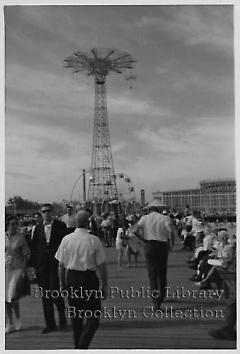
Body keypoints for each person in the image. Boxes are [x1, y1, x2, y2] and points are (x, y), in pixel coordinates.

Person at [55, 210, 108, 349]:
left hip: (72, 277)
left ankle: (77, 346)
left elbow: (60, 265)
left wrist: (62, 284)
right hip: (89, 278)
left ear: (76, 223)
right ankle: (82, 345)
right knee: (93, 316)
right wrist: (104, 285)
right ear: (88, 222)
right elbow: (101, 265)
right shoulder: (93, 240)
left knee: (76, 315)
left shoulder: (66, 239)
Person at [30, 203, 68, 333]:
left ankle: (62, 318)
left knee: (55, 293)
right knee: (46, 296)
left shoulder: (60, 226)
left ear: (52, 212)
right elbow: (34, 248)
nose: (46, 213)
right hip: (42, 267)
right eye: (43, 212)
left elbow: (65, 245)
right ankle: (50, 324)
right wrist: (33, 266)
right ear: (41, 214)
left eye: (48, 211)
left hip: (56, 265)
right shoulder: (37, 228)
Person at [134, 205, 173, 311]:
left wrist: (143, 240)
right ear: (158, 211)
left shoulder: (144, 218)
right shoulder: (164, 218)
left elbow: (135, 231)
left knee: (152, 275)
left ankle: (156, 303)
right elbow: (170, 231)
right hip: (162, 246)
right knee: (162, 273)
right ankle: (162, 296)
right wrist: (170, 244)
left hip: (149, 245)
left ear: (149, 211)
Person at [5, 215, 31, 334]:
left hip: (17, 269)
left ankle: (18, 318)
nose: (14, 226)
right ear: (7, 225)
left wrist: (24, 269)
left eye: (16, 223)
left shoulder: (20, 238)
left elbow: (26, 253)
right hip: (5, 270)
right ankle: (9, 323)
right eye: (12, 224)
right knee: (5, 299)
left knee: (13, 297)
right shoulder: (3, 237)